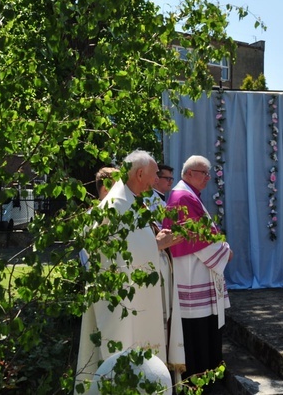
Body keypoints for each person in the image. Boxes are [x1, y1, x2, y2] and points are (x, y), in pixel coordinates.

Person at [76, 150, 185, 387]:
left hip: (134, 301)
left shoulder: (131, 202)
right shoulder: (117, 204)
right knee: (121, 362)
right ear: (139, 173)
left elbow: (130, 244)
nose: (157, 180)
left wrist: (155, 243)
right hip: (121, 306)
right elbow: (102, 250)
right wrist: (156, 244)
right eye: (155, 175)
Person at [163, 155, 232, 391]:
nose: (208, 178)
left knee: (204, 329)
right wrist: (225, 251)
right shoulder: (183, 195)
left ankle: (207, 376)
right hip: (193, 274)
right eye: (204, 173)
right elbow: (200, 239)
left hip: (196, 271)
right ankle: (201, 381)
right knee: (199, 331)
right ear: (190, 173)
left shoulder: (187, 194)